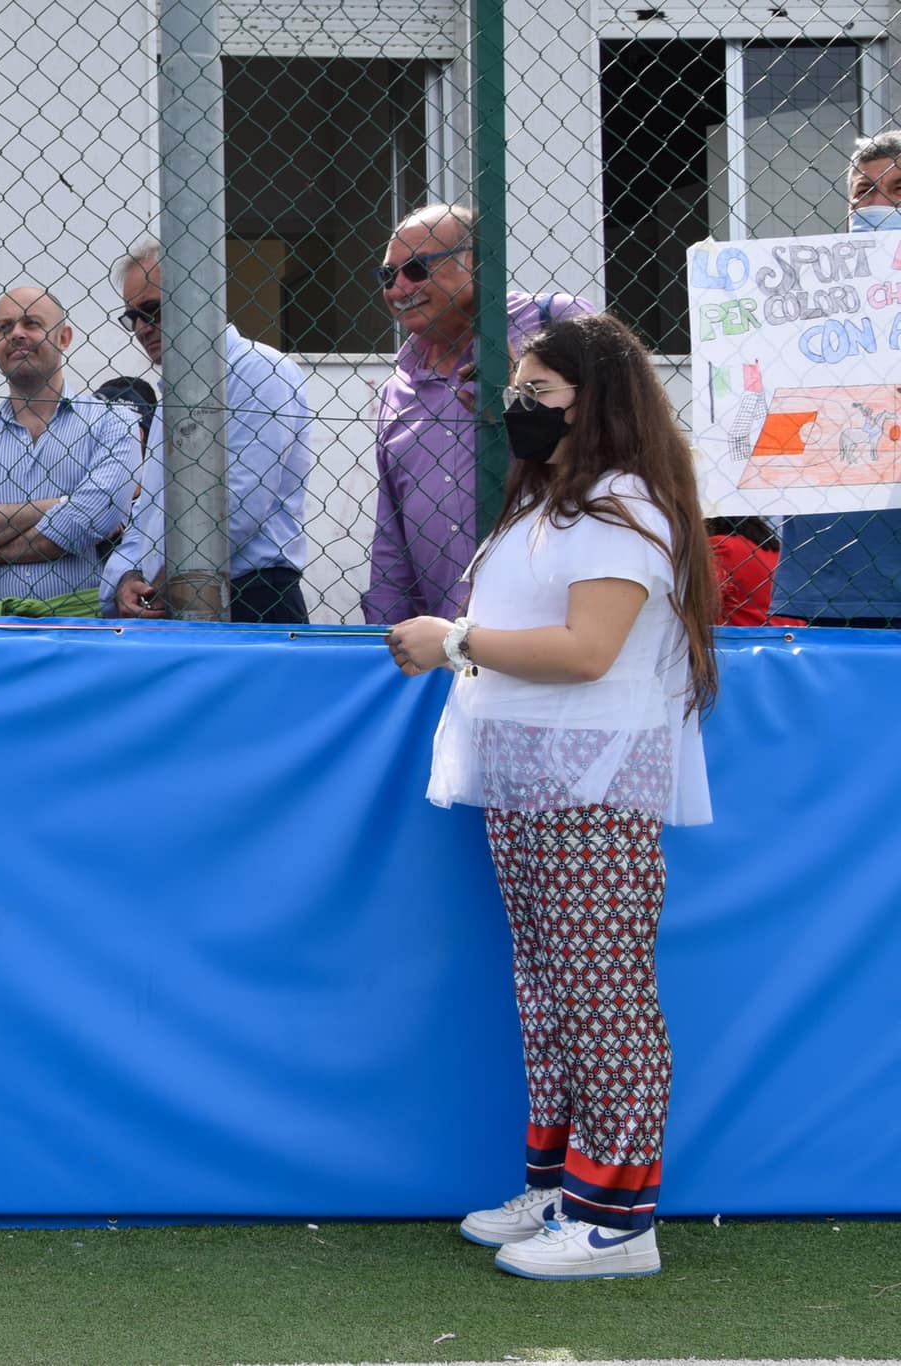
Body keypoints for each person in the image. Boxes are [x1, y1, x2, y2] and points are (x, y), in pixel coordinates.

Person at [386, 313, 715, 1280]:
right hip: (533, 784)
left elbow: (586, 651)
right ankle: (564, 1188)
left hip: (594, 786)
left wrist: (454, 640)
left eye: (540, 395)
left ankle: (618, 1221)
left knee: (603, 993)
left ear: (597, 404)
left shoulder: (628, 510)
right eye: (516, 393)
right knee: (549, 992)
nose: (516, 409)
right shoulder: (552, 506)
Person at [364, 205, 594, 624]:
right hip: (444, 641)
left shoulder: (556, 323)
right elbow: (392, 536)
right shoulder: (397, 389)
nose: (398, 288)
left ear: (477, 263)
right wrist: (385, 636)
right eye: (387, 275)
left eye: (416, 269)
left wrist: (517, 399)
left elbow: (614, 439)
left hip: (555, 625)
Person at [102, 242, 314, 622]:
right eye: (132, 317)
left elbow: (241, 504)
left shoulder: (259, 371)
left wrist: (158, 583)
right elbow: (147, 513)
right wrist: (127, 578)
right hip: (170, 595)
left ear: (199, 295)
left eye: (152, 310)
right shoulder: (172, 392)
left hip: (252, 598)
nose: (142, 328)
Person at [773, 129, 901, 626]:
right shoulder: (805, 300)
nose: (878, 204)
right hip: (837, 561)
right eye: (864, 192)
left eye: (898, 191)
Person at [0, 285, 141, 618]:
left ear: (64, 337)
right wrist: (61, 503)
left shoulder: (114, 422)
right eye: (4, 327)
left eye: (31, 323)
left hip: (83, 630)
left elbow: (95, 517)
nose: (16, 333)